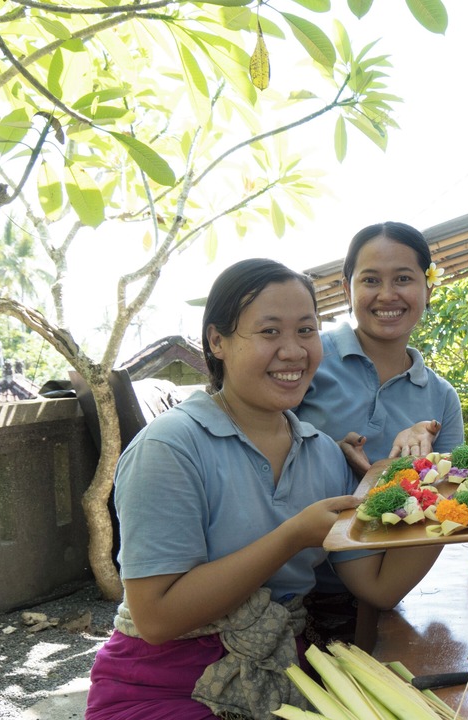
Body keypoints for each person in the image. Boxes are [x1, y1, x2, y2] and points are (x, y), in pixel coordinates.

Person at [86, 258, 440, 720]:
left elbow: (378, 587)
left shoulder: (322, 454)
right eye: (270, 331)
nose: (293, 351)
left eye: (306, 330)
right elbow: (156, 618)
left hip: (282, 672)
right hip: (163, 683)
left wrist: (436, 500)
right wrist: (291, 537)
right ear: (217, 341)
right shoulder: (169, 448)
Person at [295, 221, 464, 651]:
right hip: (286, 587)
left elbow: (449, 501)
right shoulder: (307, 358)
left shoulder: (441, 398)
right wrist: (328, 453)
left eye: (403, 279)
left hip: (383, 592)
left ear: (428, 287)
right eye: (370, 280)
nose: (387, 295)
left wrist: (416, 468)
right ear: (347, 288)